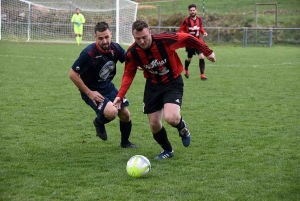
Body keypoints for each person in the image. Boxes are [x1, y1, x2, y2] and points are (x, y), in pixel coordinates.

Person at [113, 20, 216, 159]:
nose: (142, 41)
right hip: (153, 86)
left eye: (145, 37)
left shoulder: (165, 40)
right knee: (154, 124)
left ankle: (182, 127)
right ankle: (167, 150)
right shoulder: (132, 53)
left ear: (150, 32)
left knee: (171, 118)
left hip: (172, 82)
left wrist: (207, 51)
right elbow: (128, 74)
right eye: (138, 39)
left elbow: (189, 38)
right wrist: (120, 95)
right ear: (133, 37)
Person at [69, 22, 137, 148]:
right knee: (112, 112)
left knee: (125, 114)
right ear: (95, 37)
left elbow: (129, 60)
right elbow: (72, 74)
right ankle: (99, 122)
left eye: (106, 37)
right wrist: (89, 93)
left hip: (108, 87)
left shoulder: (115, 48)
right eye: (100, 38)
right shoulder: (88, 53)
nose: (105, 41)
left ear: (111, 34)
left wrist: (142, 63)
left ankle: (125, 143)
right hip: (91, 91)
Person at [178, 4, 209, 80]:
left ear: (196, 11)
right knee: (189, 58)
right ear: (189, 11)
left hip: (198, 41)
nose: (192, 12)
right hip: (190, 43)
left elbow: (200, 28)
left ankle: (202, 75)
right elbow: (180, 30)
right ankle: (186, 69)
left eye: (193, 10)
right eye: (191, 10)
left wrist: (204, 32)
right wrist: (183, 35)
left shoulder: (199, 19)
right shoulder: (186, 20)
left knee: (201, 56)